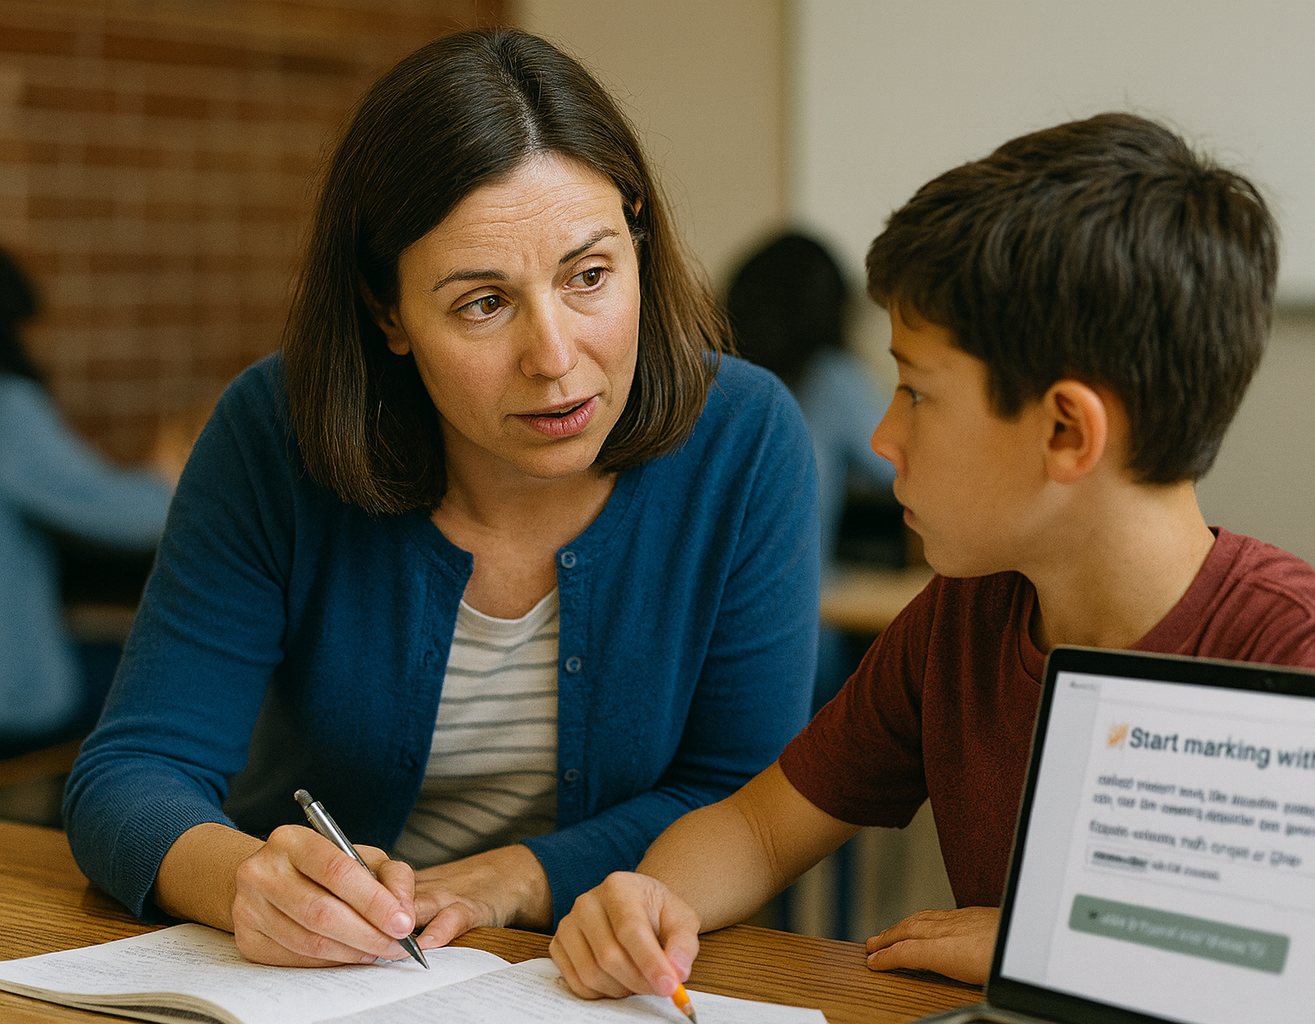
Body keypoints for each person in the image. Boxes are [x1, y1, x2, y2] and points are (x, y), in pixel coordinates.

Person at [551, 113, 1315, 989]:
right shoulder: (967, 617)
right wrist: (646, 898)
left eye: (917, 392)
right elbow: (761, 829)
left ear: (1066, 430)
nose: (884, 437)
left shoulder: (1299, 651)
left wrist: (1054, 944)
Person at [62, 28, 818, 969]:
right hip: (321, 980)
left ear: (639, 237)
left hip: (592, 975)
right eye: (482, 304)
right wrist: (244, 881)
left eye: (589, 276)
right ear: (388, 313)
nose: (554, 357)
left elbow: (743, 797)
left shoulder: (744, 437)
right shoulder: (273, 431)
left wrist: (517, 876)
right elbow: (131, 775)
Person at [0, 247, 176, 753]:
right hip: (14, 702)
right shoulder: (9, 411)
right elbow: (133, 518)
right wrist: (177, 477)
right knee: (181, 686)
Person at [725, 232, 898, 707]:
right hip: (806, 640)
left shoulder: (712, 378)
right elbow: (901, 467)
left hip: (714, 634)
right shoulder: (832, 379)